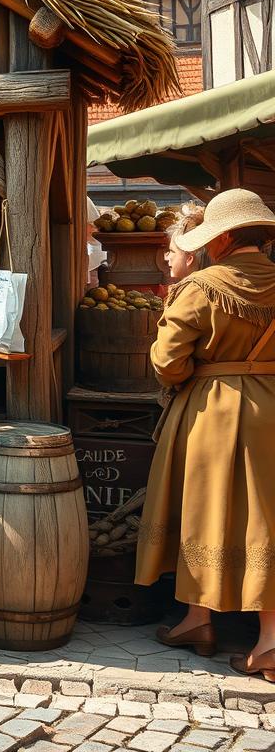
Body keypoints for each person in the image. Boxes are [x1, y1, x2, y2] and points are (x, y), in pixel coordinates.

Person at [135, 189, 275, 679]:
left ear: (226, 238)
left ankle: (198, 620)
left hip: (211, 413)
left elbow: (167, 363)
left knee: (202, 510)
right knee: (266, 518)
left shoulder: (202, 286)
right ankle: (270, 640)